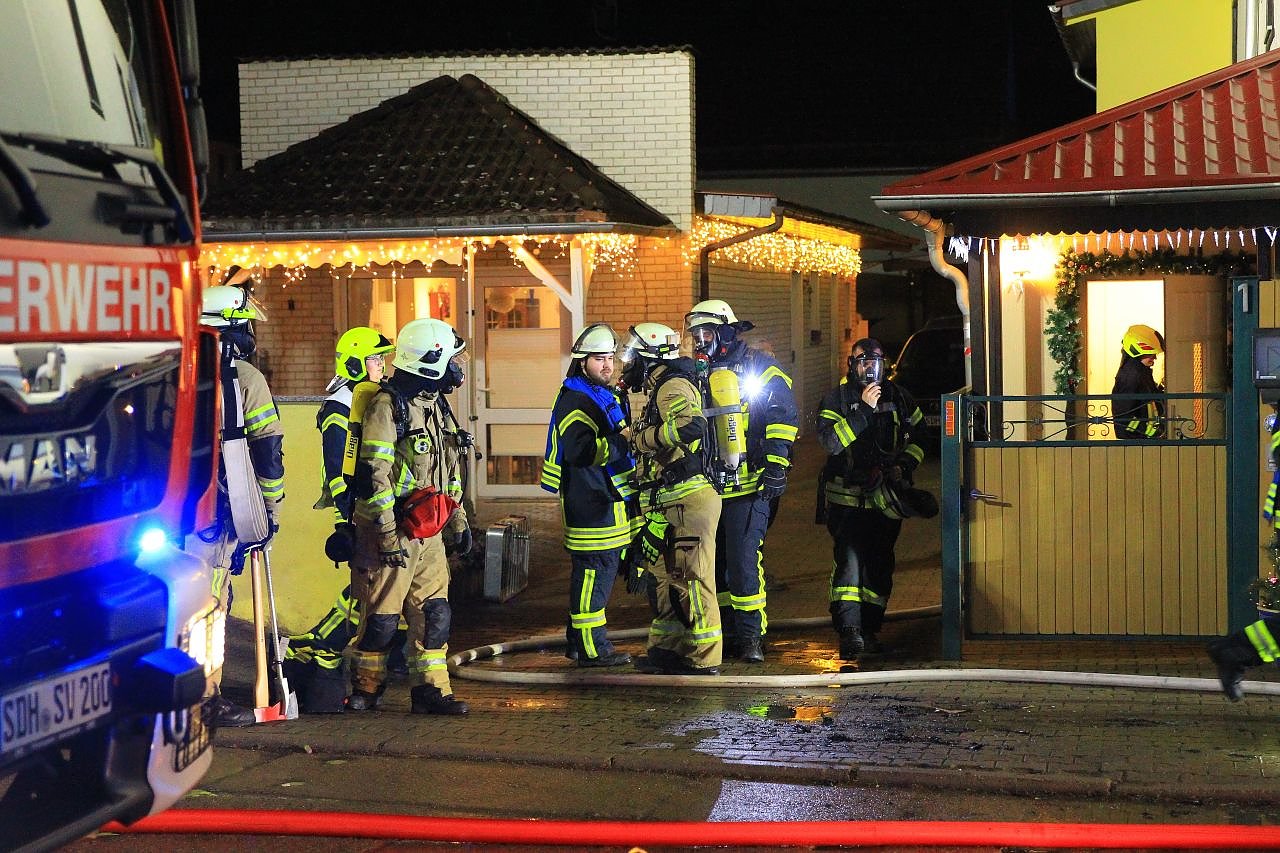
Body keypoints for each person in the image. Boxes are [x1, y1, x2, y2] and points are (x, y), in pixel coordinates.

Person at [347, 317, 472, 715]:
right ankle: (366, 688)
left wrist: (457, 521)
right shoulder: (387, 408)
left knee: (435, 616)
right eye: (452, 359)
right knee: (381, 620)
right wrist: (386, 535)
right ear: (429, 363)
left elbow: (449, 470)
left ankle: (432, 691)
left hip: (428, 534)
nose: (458, 368)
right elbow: (374, 477)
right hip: (391, 533)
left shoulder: (436, 406)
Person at [281, 327, 396, 713]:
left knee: (372, 590)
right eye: (375, 359)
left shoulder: (367, 398)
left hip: (373, 507)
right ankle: (319, 644)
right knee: (364, 592)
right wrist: (346, 519)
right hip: (357, 511)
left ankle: (312, 643)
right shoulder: (340, 405)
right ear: (355, 363)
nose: (382, 365)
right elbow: (337, 469)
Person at [685, 299, 798, 663]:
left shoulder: (758, 366)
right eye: (695, 336)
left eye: (706, 334)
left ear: (726, 332)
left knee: (742, 561)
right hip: (708, 488)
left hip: (750, 487)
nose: (700, 342)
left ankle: (751, 637)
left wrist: (776, 467)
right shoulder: (695, 373)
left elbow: (783, 417)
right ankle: (727, 631)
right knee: (714, 564)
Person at [195, 274, 285, 727]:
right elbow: (267, 451)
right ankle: (204, 699)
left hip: (173, 512)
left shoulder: (173, 371)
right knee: (210, 606)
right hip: (220, 514)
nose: (251, 334)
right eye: (245, 325)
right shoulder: (246, 379)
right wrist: (270, 511)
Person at [623, 322, 723, 675]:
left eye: (633, 356)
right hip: (671, 502)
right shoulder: (660, 388)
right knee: (666, 580)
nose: (627, 363)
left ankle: (705, 657)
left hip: (688, 501)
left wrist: (642, 439)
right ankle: (666, 649)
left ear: (651, 357)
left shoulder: (672, 386)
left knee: (693, 580)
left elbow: (691, 426)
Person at [816, 338, 925, 660]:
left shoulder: (899, 398)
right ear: (851, 364)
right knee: (849, 567)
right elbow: (831, 443)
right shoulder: (837, 399)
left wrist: (904, 465)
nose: (869, 368)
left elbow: (920, 437)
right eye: (862, 361)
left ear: (884, 365)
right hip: (847, 501)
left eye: (875, 361)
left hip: (885, 501)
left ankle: (870, 630)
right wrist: (863, 410)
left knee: (879, 565)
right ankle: (849, 633)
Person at [540, 323, 637, 667]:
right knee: (594, 574)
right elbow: (581, 451)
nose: (608, 365)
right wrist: (622, 440)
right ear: (582, 362)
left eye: (610, 358)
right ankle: (592, 650)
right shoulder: (577, 401)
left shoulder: (597, 394)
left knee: (595, 573)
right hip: (590, 503)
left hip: (600, 499)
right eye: (599, 359)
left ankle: (578, 644)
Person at [1111, 324, 1166, 440]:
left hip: (1144, 439)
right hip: (1136, 442)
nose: (1154, 358)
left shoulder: (1141, 372)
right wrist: (1151, 432)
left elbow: (1150, 401)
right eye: (1150, 354)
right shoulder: (1130, 376)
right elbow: (1124, 417)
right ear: (1137, 351)